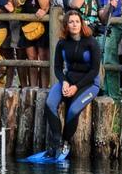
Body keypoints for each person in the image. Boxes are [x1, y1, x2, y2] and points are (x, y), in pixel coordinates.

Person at [31, 10, 102, 163]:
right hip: (68, 80)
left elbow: (94, 70)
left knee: (73, 110)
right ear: (66, 25)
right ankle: (56, 141)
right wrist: (64, 81)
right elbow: (57, 67)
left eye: (77, 21)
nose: (74, 24)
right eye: (71, 22)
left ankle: (65, 142)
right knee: (50, 103)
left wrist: (76, 87)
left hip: (89, 83)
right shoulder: (62, 43)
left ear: (81, 23)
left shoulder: (91, 42)